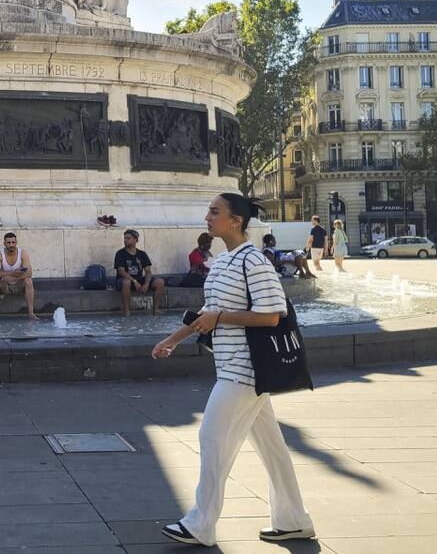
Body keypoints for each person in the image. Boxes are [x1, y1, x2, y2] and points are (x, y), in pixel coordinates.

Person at [151, 193, 313, 547]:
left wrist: (220, 318)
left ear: (235, 220)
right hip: (230, 364)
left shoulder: (254, 261)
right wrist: (173, 339)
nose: (207, 217)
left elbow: (272, 315)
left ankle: (200, 523)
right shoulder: (223, 261)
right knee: (273, 449)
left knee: (212, 439)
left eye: (214, 212)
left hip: (246, 368)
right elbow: (207, 312)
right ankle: (293, 519)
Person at [114, 229, 167, 316]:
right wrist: (134, 281)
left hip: (139, 279)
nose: (125, 240)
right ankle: (126, 311)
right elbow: (121, 271)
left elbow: (148, 271)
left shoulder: (142, 254)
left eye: (128, 238)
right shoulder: (120, 253)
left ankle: (156, 309)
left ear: (135, 240)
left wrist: (146, 284)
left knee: (160, 282)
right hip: (124, 280)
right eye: (125, 238)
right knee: (126, 282)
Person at [0, 232, 37, 320]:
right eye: (8, 243)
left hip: (19, 284)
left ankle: (31, 313)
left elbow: (29, 273)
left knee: (29, 281)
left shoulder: (23, 253)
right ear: (4, 243)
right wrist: (12, 273)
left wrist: (14, 278)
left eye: (13, 242)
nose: (11, 245)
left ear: (16, 243)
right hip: (5, 285)